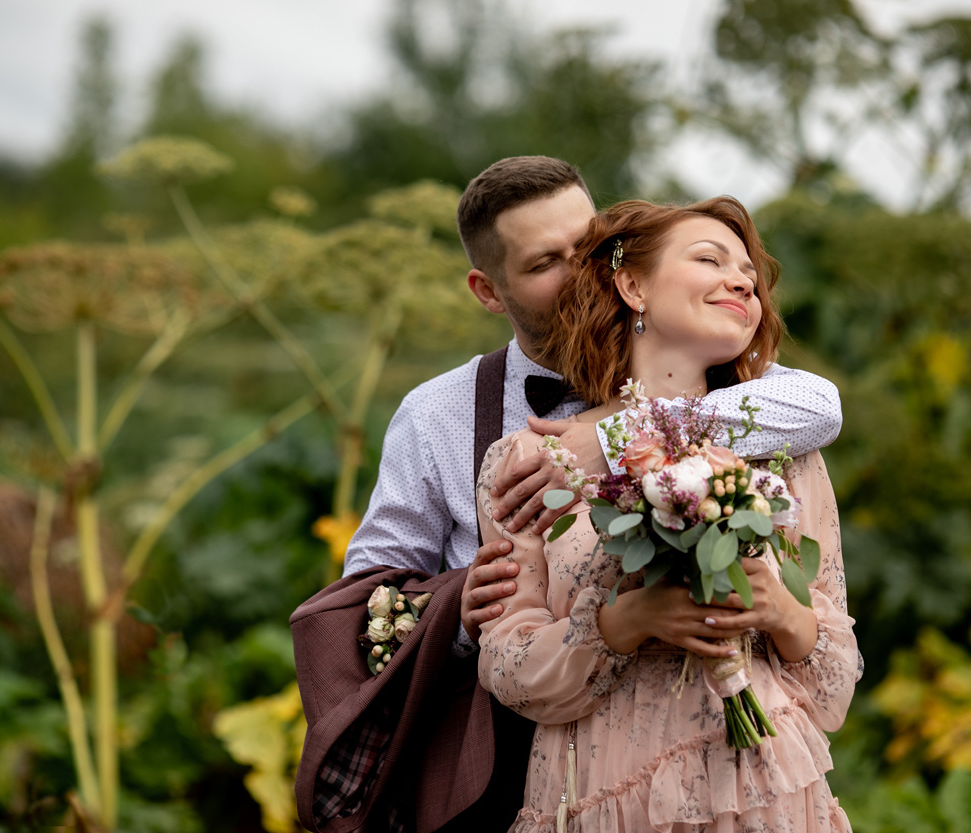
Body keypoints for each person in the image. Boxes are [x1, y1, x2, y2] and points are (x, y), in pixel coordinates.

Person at [294, 157, 843, 833]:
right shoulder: (440, 413)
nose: (582, 270)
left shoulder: (723, 379)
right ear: (488, 290)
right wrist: (457, 612)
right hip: (507, 761)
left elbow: (819, 404)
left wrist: (616, 434)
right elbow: (366, 596)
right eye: (545, 261)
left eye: (591, 246)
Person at [475, 197, 861, 832]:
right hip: (602, 803)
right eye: (710, 258)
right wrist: (621, 624)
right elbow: (507, 668)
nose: (743, 281)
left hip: (767, 797)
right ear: (632, 285)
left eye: (750, 275)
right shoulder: (530, 464)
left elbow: (834, 685)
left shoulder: (785, 449)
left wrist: (778, 608)